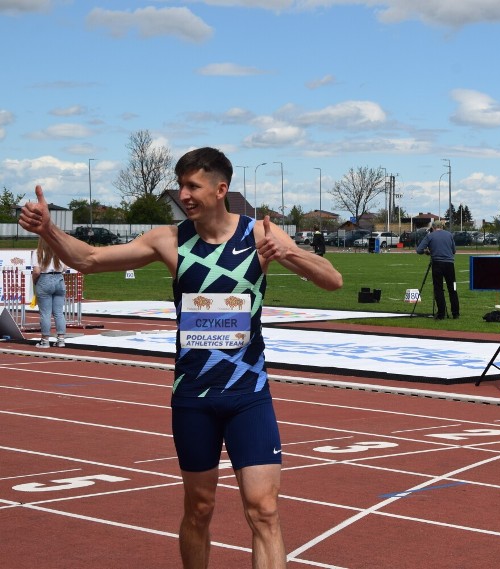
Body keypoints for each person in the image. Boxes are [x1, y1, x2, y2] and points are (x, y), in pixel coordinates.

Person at [19, 147, 343, 569]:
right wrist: (48, 230)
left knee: (263, 510)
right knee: (199, 508)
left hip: (248, 392)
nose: (184, 194)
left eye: (193, 186)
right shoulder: (169, 239)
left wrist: (291, 254)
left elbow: (333, 281)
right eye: (181, 186)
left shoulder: (259, 234)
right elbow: (89, 259)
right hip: (193, 396)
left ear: (221, 189)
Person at [416, 222, 459, 320]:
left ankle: (441, 313)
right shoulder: (449, 235)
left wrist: (427, 251)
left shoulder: (430, 236)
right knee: (453, 289)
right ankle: (456, 313)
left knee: (438, 289)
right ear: (442, 227)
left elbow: (419, 250)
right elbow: (454, 251)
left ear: (433, 228)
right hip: (449, 265)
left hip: (437, 264)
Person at [30, 238, 67, 348]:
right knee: (59, 312)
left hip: (45, 279)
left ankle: (45, 340)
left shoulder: (38, 252)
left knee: (45, 313)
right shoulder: (59, 251)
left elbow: (36, 271)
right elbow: (64, 268)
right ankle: (61, 340)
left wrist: (35, 281)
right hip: (59, 279)